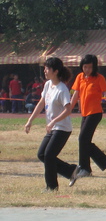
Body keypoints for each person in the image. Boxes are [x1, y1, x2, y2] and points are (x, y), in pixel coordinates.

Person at [24, 58, 77, 192]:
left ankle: (52, 187)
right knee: (42, 154)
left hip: (62, 128)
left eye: (47, 68)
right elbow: (41, 103)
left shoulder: (62, 89)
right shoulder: (48, 85)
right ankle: (71, 171)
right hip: (52, 128)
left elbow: (68, 109)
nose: (45, 71)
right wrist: (30, 121)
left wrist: (54, 121)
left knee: (49, 155)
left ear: (55, 71)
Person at [68, 55, 106, 185]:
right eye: (85, 67)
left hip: (95, 113)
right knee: (85, 141)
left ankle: (84, 168)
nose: (87, 69)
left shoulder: (99, 78)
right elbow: (75, 96)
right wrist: (68, 110)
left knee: (82, 139)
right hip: (85, 114)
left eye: (90, 67)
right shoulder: (79, 77)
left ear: (94, 67)